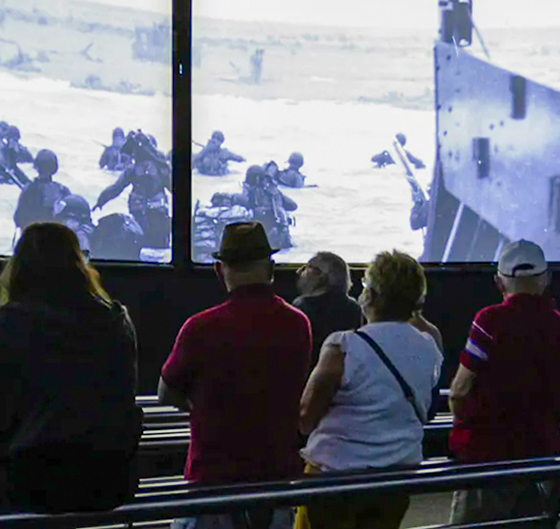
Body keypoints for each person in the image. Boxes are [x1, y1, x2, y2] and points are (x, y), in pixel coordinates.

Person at [0, 222, 142, 511]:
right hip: (110, 480)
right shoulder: (117, 321)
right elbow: (125, 399)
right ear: (78, 264)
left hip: (30, 479)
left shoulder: (4, 325)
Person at [159, 222, 311, 529]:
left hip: (212, 481)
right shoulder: (298, 324)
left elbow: (166, 392)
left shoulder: (199, 327)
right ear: (271, 268)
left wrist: (196, 406)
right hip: (277, 480)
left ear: (219, 270)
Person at [296, 251, 444, 529]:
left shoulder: (342, 347)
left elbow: (306, 418)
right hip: (397, 478)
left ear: (371, 296)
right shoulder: (429, 345)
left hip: (334, 478)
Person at [447, 240, 560, 528]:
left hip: (487, 456)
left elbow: (460, 390)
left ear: (498, 281)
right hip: (541, 454)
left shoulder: (488, 321)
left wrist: (464, 425)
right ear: (546, 278)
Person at [293, 252, 364, 368]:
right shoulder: (354, 307)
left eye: (308, 267)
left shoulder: (302, 306)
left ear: (321, 275)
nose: (299, 271)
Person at [15, 149, 71, 231]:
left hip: (32, 234)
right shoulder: (62, 190)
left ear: (37, 167)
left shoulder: (28, 189)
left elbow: (18, 218)